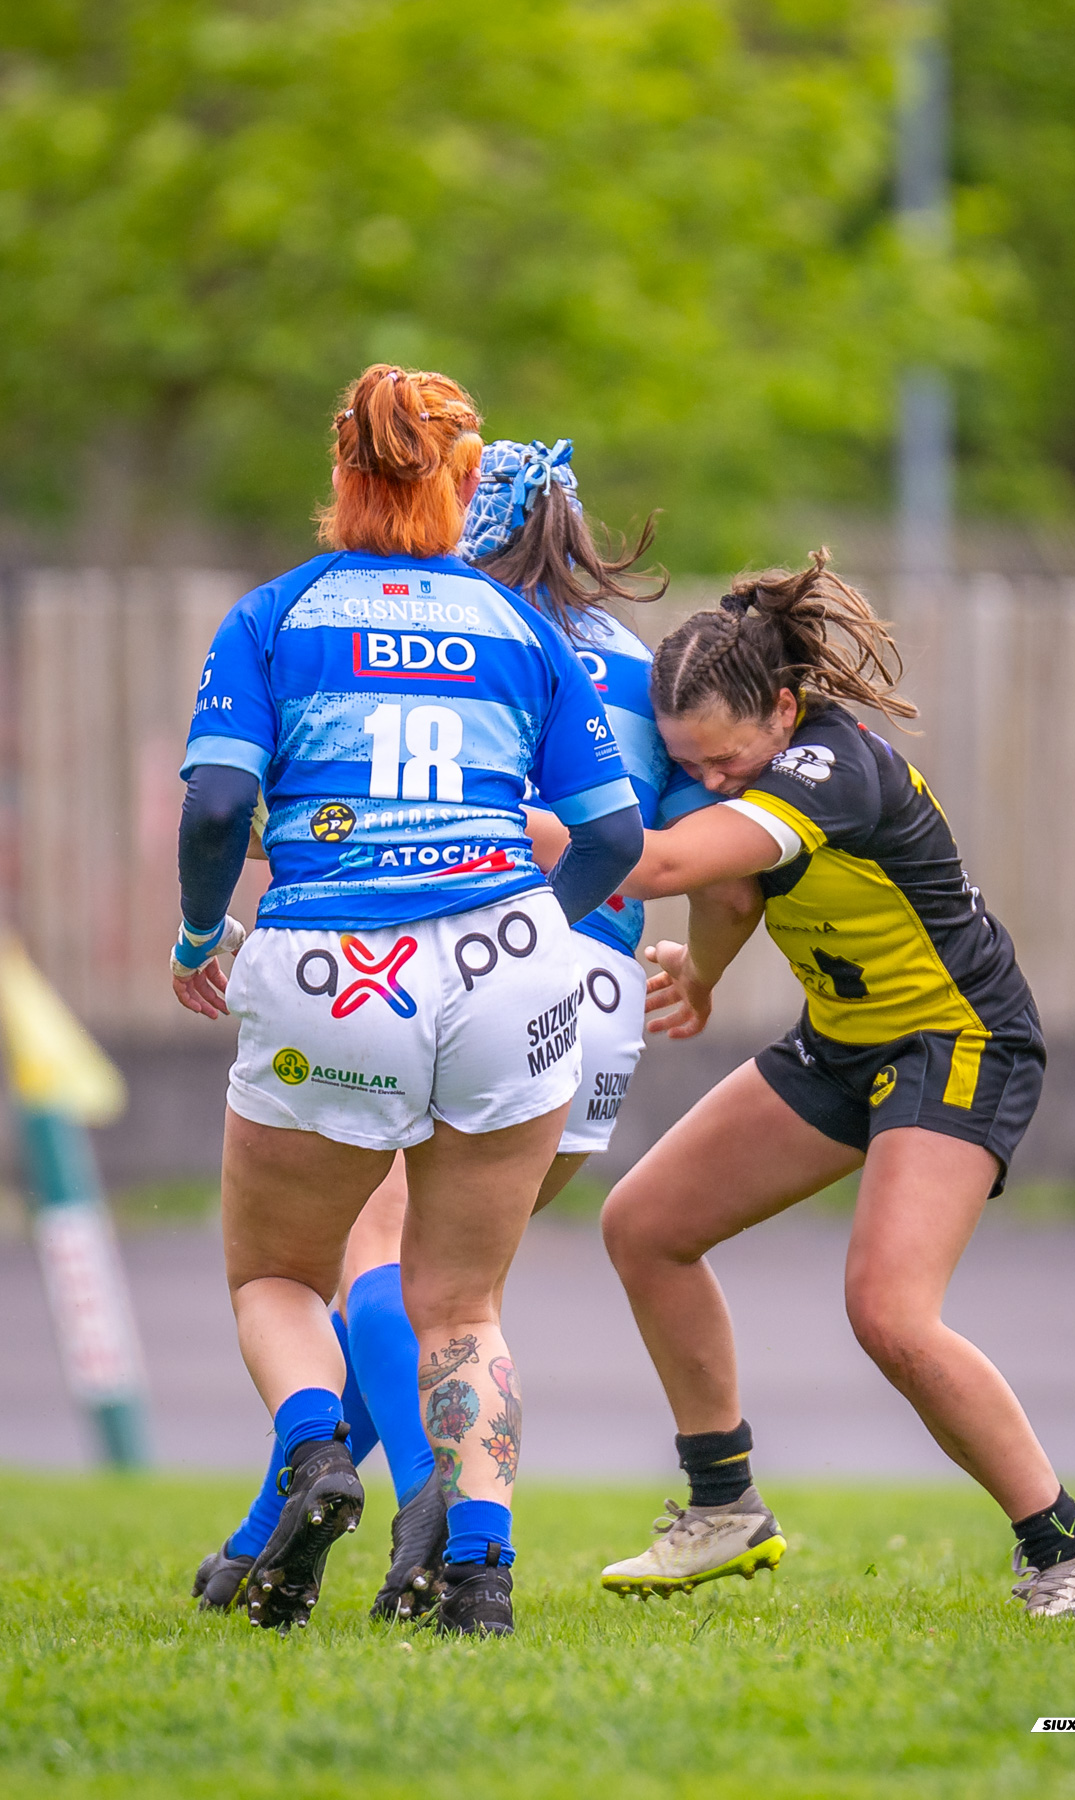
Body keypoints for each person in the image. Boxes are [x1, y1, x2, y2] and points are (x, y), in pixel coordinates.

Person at [193, 435, 733, 1626]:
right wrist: (703, 967)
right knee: (458, 1293)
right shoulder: (635, 664)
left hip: (450, 961)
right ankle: (271, 1534)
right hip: (589, 1000)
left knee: (379, 1270)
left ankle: (421, 1508)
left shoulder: (459, 636)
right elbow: (693, 846)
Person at [593, 553, 1075, 1620]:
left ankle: (1069, 1553)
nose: (708, 781)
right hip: (846, 1044)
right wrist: (698, 975)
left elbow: (664, 867)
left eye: (722, 760)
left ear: (784, 709)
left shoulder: (831, 769)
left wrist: (473, 823)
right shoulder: (758, 775)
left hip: (957, 1041)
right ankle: (723, 1509)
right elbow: (735, 888)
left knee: (889, 1311)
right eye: (686, 766)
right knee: (643, 1225)